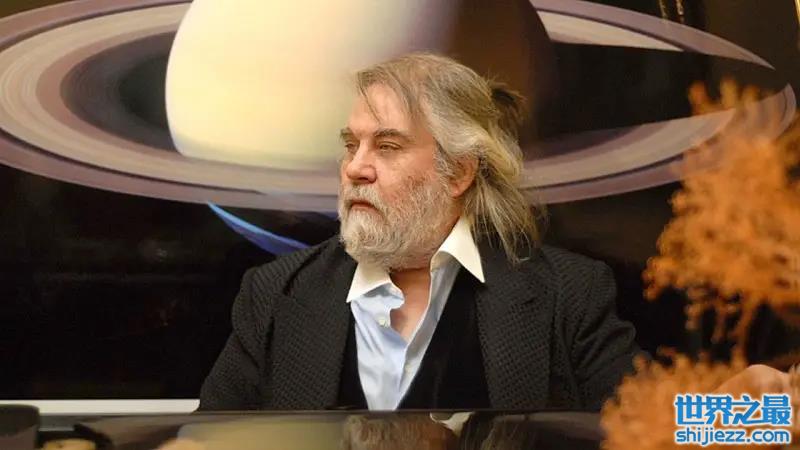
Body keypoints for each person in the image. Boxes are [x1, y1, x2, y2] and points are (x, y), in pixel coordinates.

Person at [198, 53, 788, 412]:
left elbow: (652, 426)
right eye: (351, 145)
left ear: (458, 172)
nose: (356, 167)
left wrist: (756, 416)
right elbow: (205, 441)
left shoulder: (565, 295)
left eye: (388, 146)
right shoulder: (276, 295)